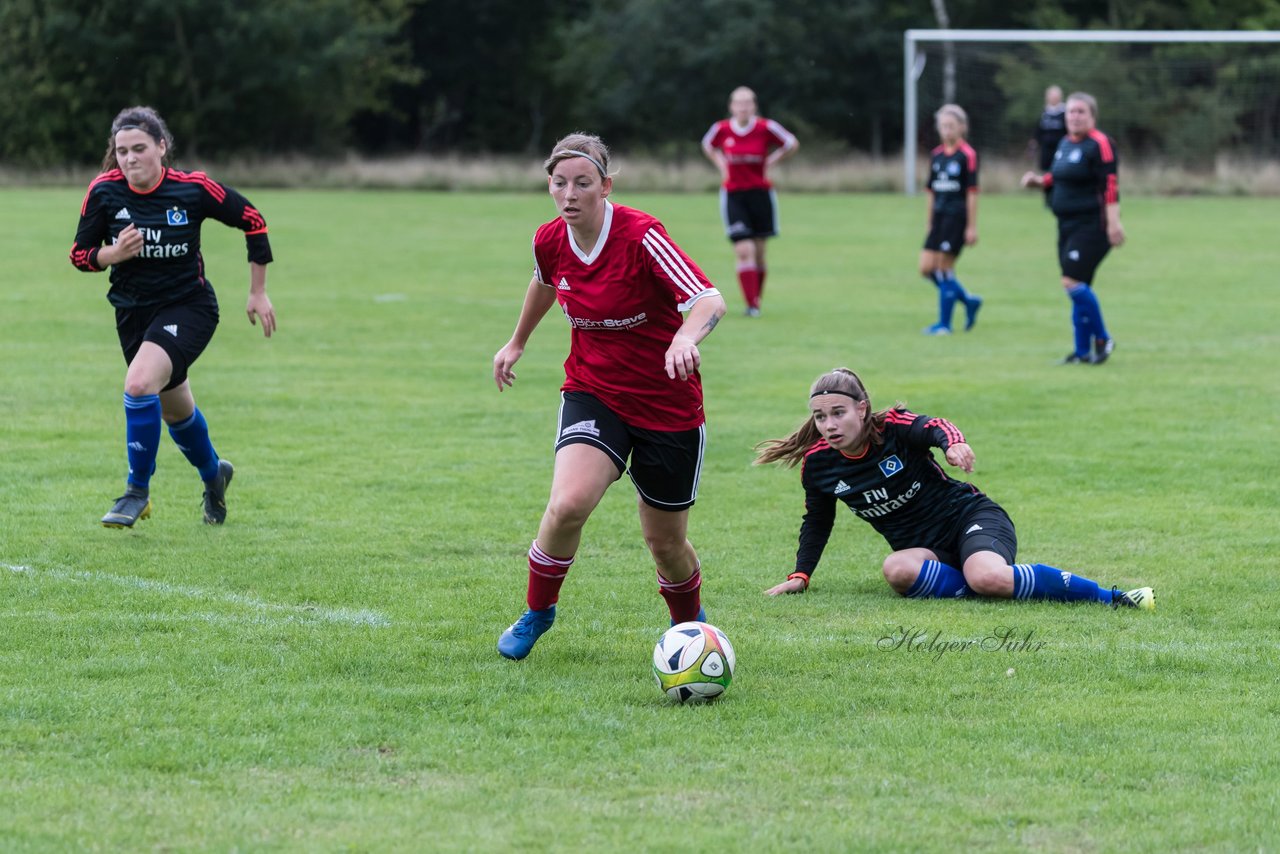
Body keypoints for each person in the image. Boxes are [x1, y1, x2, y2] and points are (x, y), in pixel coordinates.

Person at [492, 132, 727, 661]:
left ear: (606, 186)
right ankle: (537, 612)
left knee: (665, 545)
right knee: (568, 503)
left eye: (583, 183)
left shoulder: (642, 235)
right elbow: (546, 282)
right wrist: (517, 341)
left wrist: (685, 337)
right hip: (593, 392)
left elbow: (709, 300)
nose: (570, 194)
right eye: (559, 183)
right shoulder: (550, 239)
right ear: (549, 186)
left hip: (667, 405)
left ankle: (692, 634)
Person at [754, 368, 1154, 609]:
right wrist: (801, 575)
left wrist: (954, 444)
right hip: (925, 549)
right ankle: (979, 580)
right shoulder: (820, 464)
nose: (830, 425)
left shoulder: (891, 427)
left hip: (970, 518)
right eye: (821, 417)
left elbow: (934, 425)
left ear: (861, 409)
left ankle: (1110, 597)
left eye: (838, 413)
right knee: (896, 570)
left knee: (986, 577)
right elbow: (818, 521)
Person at [69, 106, 276, 528]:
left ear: (161, 147)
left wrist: (257, 292)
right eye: (122, 150)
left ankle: (136, 492)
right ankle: (214, 475)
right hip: (132, 316)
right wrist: (112, 254)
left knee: (139, 382)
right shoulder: (104, 192)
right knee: (174, 410)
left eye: (139, 148)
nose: (129, 159)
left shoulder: (192, 189)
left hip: (189, 306)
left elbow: (252, 220)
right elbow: (79, 255)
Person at [1021, 92, 1124, 365]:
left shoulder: (1100, 144)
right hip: (1065, 224)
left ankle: (1102, 338)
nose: (1075, 116)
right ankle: (1081, 352)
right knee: (1079, 285)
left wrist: (1114, 224)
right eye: (1071, 112)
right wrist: (1040, 181)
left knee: (1072, 282)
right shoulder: (1065, 142)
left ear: (1092, 116)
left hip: (1092, 225)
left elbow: (1110, 186)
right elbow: (1060, 175)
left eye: (1081, 112)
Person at [701, 86, 798, 317]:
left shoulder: (766, 127)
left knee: (760, 251)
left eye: (747, 103)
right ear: (731, 107)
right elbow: (707, 146)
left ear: (754, 106)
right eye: (738, 103)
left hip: (761, 195)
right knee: (744, 249)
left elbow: (791, 143)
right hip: (734, 194)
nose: (743, 107)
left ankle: (756, 299)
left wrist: (771, 162)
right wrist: (722, 165)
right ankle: (751, 306)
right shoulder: (721, 129)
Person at [918, 104, 982, 336]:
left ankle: (944, 324)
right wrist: (929, 220)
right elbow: (930, 192)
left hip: (956, 219)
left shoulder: (968, 155)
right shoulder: (936, 156)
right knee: (926, 268)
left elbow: (972, 192)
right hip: (939, 218)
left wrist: (971, 226)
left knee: (944, 268)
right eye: (943, 126)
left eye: (951, 126)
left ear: (962, 128)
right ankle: (967, 300)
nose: (946, 130)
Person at [1030, 85, 1067, 207]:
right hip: (1046, 150)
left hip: (1061, 149)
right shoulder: (1045, 113)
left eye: (1055, 96)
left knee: (1059, 173)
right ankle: (1048, 200)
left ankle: (1059, 197)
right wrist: (1033, 144)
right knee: (1046, 174)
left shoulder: (1065, 113)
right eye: (1050, 96)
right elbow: (1038, 131)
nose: (1053, 98)